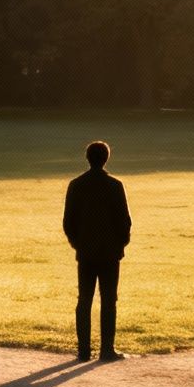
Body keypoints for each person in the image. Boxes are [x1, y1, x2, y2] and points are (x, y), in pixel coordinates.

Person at [62, 140, 131, 362]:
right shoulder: (115, 185)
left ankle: (83, 351)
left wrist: (77, 243)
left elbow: (68, 222)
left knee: (84, 299)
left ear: (87, 158)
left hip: (86, 252)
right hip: (110, 252)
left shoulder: (76, 185)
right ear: (106, 158)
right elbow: (124, 221)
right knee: (109, 300)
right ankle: (106, 350)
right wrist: (121, 243)